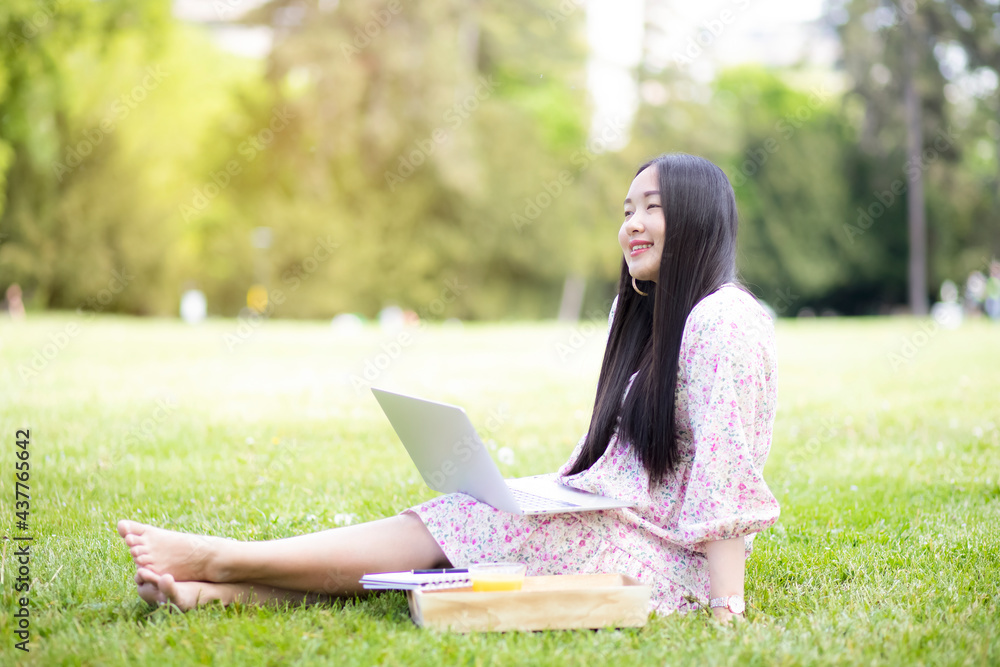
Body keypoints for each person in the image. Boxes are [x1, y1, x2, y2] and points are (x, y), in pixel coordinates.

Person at [117, 153, 780, 623]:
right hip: (612, 523)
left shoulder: (725, 318)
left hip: (670, 559)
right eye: (627, 209)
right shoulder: (644, 317)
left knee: (472, 526)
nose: (631, 224)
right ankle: (225, 591)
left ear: (695, 219)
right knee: (473, 525)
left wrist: (727, 607)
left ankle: (224, 560)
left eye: (652, 209)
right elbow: (626, 462)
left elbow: (725, 475)